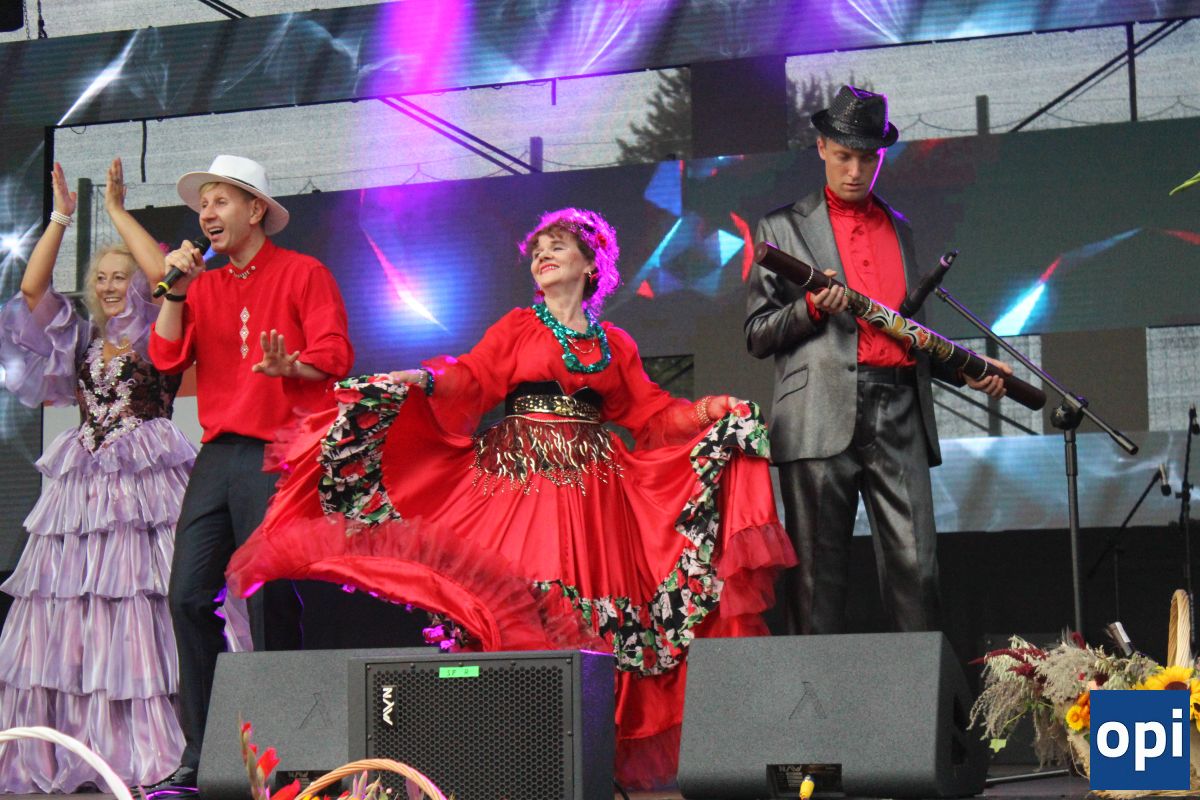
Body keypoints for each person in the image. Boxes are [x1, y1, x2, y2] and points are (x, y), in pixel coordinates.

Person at [225, 208, 794, 788]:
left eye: (558, 245)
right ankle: (517, 759)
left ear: (592, 263)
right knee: (524, 609)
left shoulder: (614, 344)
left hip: (595, 500)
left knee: (593, 624)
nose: (542, 254)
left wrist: (712, 410)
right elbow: (473, 378)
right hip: (521, 485)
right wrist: (422, 379)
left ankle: (581, 762)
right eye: (537, 248)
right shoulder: (521, 326)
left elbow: (650, 415)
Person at [745, 86, 1009, 636]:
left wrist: (969, 368)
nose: (855, 170)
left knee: (919, 573)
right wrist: (811, 308)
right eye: (844, 156)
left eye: (867, 158)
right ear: (822, 148)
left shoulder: (899, 227)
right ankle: (811, 695)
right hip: (818, 413)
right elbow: (758, 334)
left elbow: (909, 334)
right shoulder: (782, 227)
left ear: (881, 156)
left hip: (900, 409)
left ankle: (924, 693)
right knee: (816, 584)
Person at [147, 155, 354, 792]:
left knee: (269, 598)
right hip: (218, 452)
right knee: (187, 595)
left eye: (220, 201)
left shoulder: (303, 272)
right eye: (203, 205)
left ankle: (285, 753)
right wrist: (175, 290)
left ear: (255, 209)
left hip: (280, 451)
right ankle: (208, 750)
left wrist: (294, 368)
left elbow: (336, 353)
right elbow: (165, 357)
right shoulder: (201, 286)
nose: (207, 214)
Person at [0, 159, 194, 791]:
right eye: (101, 278)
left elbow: (168, 278)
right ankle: (79, 742)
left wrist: (115, 211)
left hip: (145, 487)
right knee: (74, 608)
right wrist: (61, 217)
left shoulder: (160, 331)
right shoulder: (80, 338)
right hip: (83, 492)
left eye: (121, 277)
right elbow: (33, 292)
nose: (111, 286)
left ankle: (153, 744)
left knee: (140, 605)